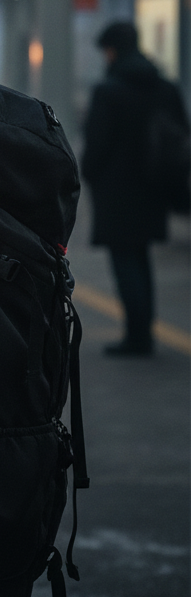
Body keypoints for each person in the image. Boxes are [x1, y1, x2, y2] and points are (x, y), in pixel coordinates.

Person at [82, 20, 189, 356]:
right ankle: (143, 330)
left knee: (125, 260)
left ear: (112, 50)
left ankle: (138, 336)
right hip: (155, 185)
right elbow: (180, 134)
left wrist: (89, 173)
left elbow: (97, 144)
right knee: (141, 257)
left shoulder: (109, 90)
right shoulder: (165, 87)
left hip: (118, 191)